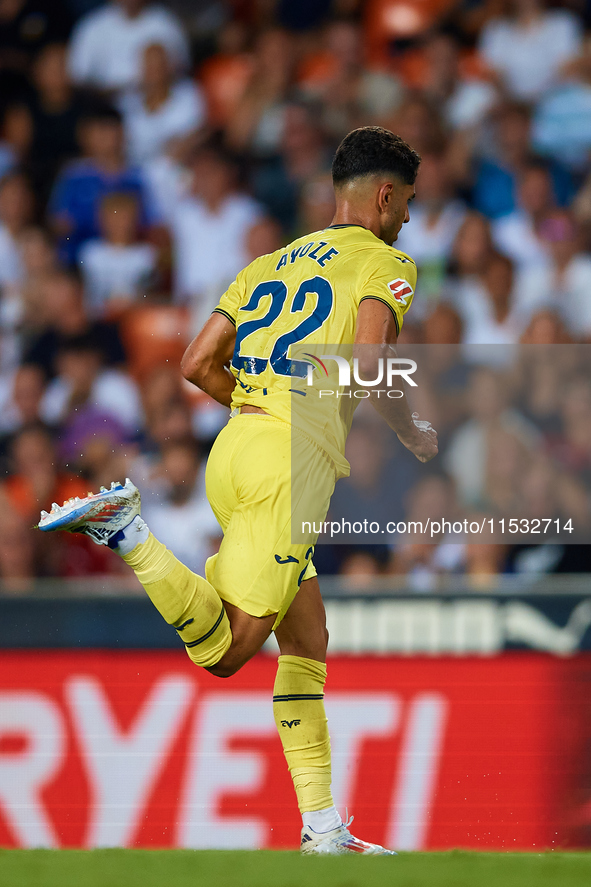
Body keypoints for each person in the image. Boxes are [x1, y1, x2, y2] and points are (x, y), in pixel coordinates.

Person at [37, 126, 438, 854]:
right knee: (225, 650)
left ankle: (323, 828)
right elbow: (372, 359)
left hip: (237, 442)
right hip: (291, 464)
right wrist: (410, 430)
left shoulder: (266, 263)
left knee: (307, 636)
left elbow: (196, 362)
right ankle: (126, 528)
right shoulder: (384, 262)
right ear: (383, 195)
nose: (407, 217)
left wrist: (263, 411)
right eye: (405, 202)